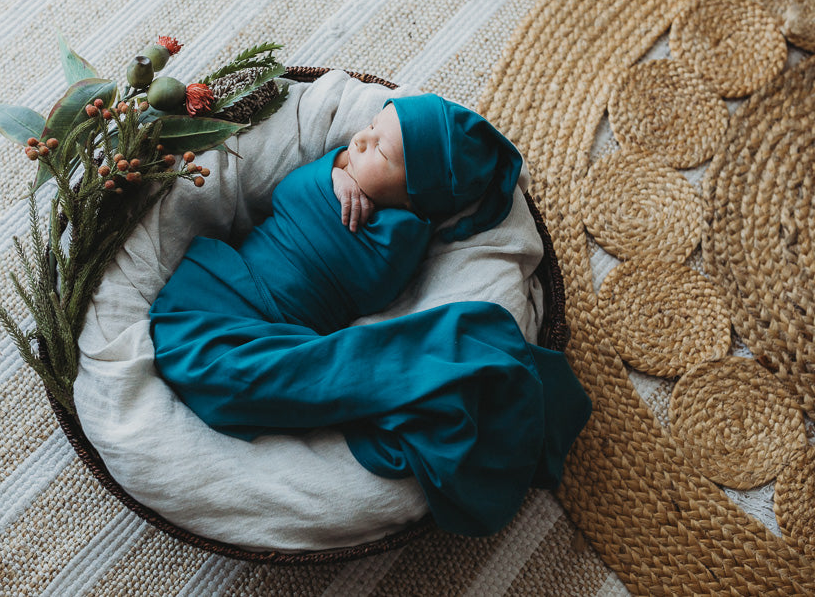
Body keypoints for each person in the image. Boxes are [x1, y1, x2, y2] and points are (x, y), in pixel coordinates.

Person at [148, 93, 591, 537]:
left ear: (416, 197)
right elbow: (286, 193)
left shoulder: (402, 236)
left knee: (254, 373)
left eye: (380, 148)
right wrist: (333, 175)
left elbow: (371, 288)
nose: (360, 139)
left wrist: (344, 201)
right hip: (224, 284)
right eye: (372, 127)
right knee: (210, 348)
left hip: (278, 325)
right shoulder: (337, 167)